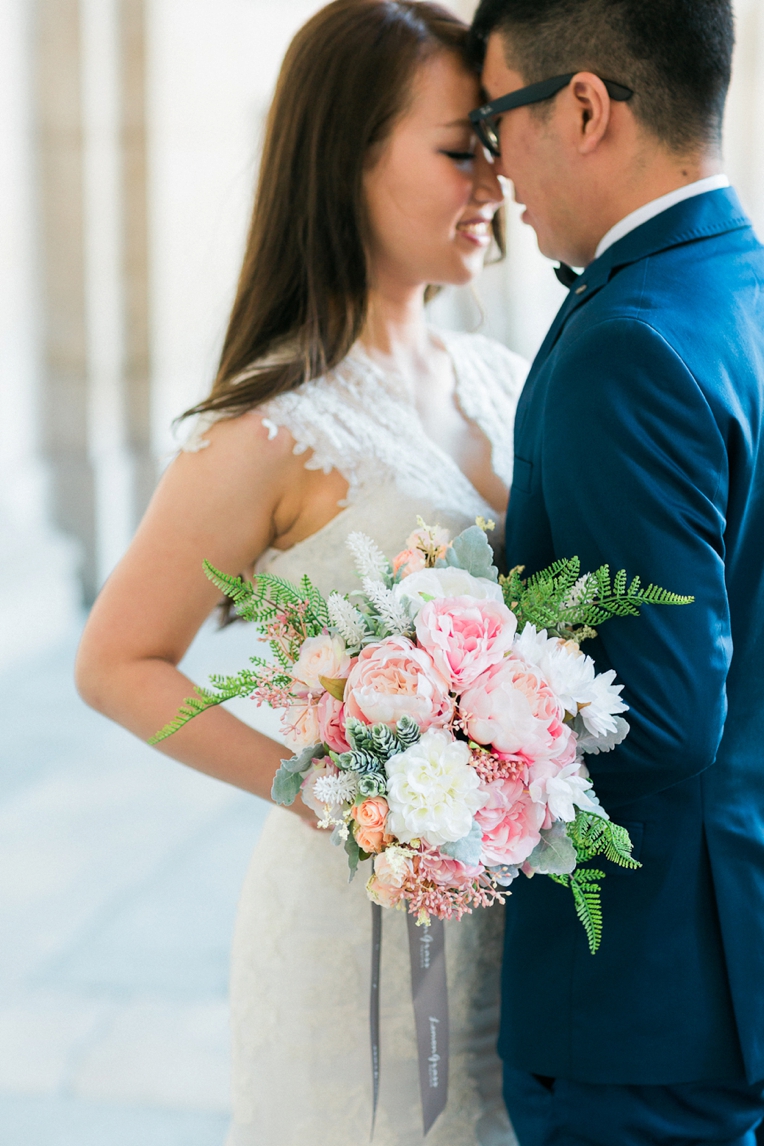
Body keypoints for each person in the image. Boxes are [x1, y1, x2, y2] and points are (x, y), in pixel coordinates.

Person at [76, 2, 526, 1143]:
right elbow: (117, 662)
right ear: (347, 156)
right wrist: (330, 793)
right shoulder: (272, 424)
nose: (492, 179)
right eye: (456, 146)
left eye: (493, 143)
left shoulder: (504, 376)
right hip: (353, 936)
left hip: (512, 915)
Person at [467, 0, 764, 1143]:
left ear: (583, 105)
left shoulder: (625, 341)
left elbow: (653, 717)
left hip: (641, 1003)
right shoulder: (734, 286)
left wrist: (431, 714)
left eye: (496, 124)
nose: (495, 177)